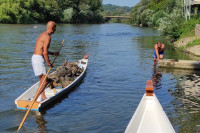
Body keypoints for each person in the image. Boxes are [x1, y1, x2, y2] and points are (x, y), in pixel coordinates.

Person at [32, 21, 59, 101]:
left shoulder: (43, 34)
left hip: (35, 58)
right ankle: (34, 100)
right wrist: (49, 63)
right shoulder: (48, 37)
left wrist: (53, 53)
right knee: (45, 81)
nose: (56, 29)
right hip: (38, 59)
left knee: (41, 79)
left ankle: (43, 96)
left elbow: (44, 50)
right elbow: (44, 52)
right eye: (55, 27)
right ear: (53, 28)